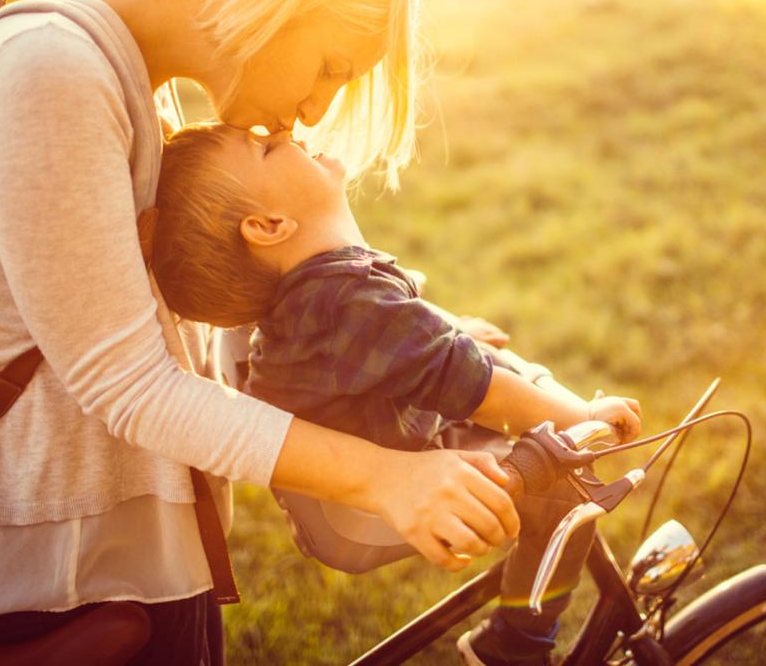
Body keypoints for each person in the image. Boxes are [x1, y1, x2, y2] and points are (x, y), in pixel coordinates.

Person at [0, 0, 519, 662]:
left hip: (138, 558)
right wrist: (384, 479)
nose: (315, 111)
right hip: (63, 581)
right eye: (332, 66)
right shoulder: (53, 73)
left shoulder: (126, 76)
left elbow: (169, 338)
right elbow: (127, 385)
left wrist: (387, 356)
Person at [150, 122, 643, 665]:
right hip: (356, 513)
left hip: (377, 449)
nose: (285, 131)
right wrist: (582, 413)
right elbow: (481, 387)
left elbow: (407, 342)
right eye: (267, 147)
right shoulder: (340, 299)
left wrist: (449, 335)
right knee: (565, 489)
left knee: (521, 437)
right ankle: (514, 646)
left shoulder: (322, 289)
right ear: (269, 224)